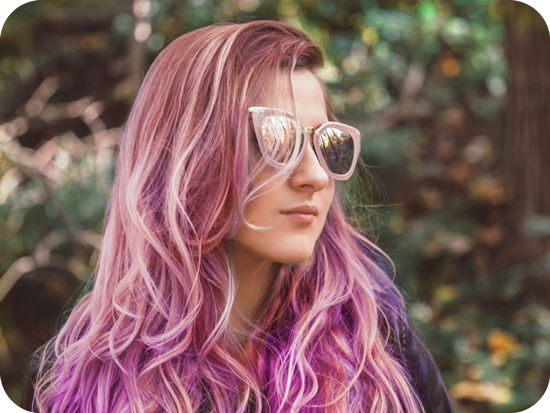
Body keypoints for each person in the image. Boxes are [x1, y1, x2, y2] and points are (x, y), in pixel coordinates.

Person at [20, 20, 453, 413]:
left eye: (326, 142)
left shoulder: (377, 347)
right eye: (275, 140)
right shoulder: (66, 382)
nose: (316, 176)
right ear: (188, 157)